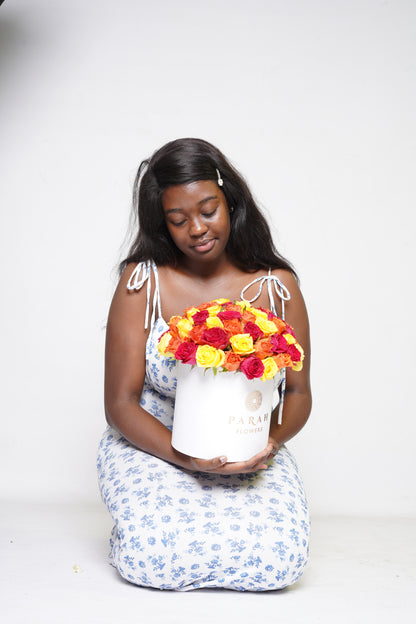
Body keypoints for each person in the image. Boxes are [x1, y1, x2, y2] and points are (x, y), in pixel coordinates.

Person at [97, 138, 312, 591]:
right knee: (153, 557)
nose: (196, 228)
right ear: (164, 223)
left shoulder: (275, 286)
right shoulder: (144, 282)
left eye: (208, 210)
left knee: (280, 564)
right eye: (178, 220)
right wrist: (186, 457)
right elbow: (119, 403)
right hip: (155, 445)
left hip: (248, 452)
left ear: (230, 201)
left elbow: (297, 392)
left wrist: (266, 445)